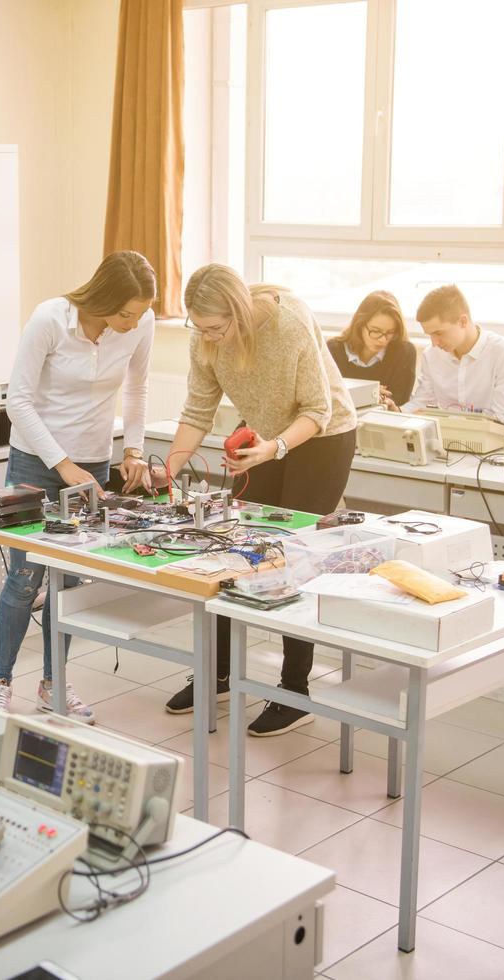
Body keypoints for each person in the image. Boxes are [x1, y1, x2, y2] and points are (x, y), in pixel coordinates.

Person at [154, 264, 357, 735]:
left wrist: (273, 448)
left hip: (322, 438)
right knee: (232, 550)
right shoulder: (203, 337)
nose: (208, 337)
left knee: (290, 556)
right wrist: (169, 470)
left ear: (241, 314)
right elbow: (197, 409)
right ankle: (217, 674)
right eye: (198, 327)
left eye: (216, 328)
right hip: (265, 438)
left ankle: (293, 692)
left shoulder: (288, 323)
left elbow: (318, 410)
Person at [0, 251, 158, 723]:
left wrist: (134, 450)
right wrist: (60, 464)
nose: (133, 322)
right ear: (102, 298)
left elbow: (138, 388)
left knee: (70, 583)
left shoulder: (140, 324)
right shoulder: (50, 320)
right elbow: (16, 402)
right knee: (25, 579)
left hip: (93, 462)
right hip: (37, 460)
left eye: (140, 313)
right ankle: (0, 681)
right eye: (125, 313)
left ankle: (53, 683)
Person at [397, 284, 504, 425]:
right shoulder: (431, 355)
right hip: (446, 438)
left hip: (492, 443)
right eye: (430, 335)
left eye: (439, 333)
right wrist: (398, 413)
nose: (434, 343)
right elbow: (422, 402)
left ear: (463, 321)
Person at [326, 290, 417, 407]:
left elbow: (399, 400)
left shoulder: (404, 352)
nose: (382, 340)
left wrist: (350, 393)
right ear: (360, 324)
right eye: (375, 331)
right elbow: (325, 395)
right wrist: (367, 393)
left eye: (390, 332)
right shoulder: (334, 349)